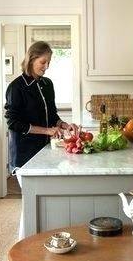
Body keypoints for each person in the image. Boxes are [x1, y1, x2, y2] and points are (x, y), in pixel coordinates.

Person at [5, 41, 79, 175]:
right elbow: (13, 123)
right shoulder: (16, 87)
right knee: (30, 194)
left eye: (49, 62)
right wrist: (47, 131)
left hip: (44, 149)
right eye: (43, 62)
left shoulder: (47, 84)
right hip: (24, 153)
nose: (47, 67)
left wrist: (64, 125)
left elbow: (51, 115)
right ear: (31, 59)